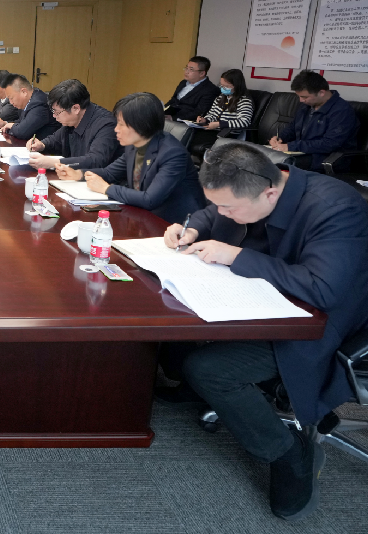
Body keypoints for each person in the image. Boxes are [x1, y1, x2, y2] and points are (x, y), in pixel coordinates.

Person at [161, 142, 368, 520]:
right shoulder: (250, 188)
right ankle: (193, 390)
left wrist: (237, 256)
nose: (223, 213)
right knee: (169, 309)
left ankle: (290, 454)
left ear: (270, 193)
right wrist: (191, 229)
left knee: (210, 369)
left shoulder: (336, 208)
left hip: (317, 324)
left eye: (230, 208)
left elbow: (324, 289)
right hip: (265, 302)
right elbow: (213, 211)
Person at [54, 92, 204, 224]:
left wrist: (107, 188)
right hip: (142, 217)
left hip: (175, 225)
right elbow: (109, 173)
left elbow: (150, 200)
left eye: (121, 124)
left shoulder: (172, 154)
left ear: (141, 125)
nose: (116, 129)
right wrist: (78, 174)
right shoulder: (134, 145)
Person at [268, 70, 358, 169]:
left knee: (275, 164)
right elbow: (293, 127)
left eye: (304, 97)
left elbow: (330, 144)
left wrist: (291, 146)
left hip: (326, 157)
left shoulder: (342, 110)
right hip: (304, 152)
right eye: (299, 96)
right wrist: (280, 138)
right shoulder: (307, 105)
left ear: (321, 92)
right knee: (261, 157)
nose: (301, 100)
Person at [25, 79, 122, 170]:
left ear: (76, 108)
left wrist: (55, 163)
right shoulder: (72, 120)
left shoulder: (106, 125)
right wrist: (42, 145)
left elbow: (95, 160)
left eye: (57, 112)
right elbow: (55, 140)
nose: (54, 116)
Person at [0, 74, 59, 142]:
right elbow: (22, 122)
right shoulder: (30, 99)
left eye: (11, 98)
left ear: (24, 92)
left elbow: (22, 132)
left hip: (46, 147)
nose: (10, 102)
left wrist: (11, 126)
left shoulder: (39, 104)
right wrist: (5, 124)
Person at [164, 56, 219, 122]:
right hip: (170, 115)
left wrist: (174, 118)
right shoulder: (183, 82)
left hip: (185, 121)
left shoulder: (210, 90)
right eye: (186, 68)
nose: (186, 72)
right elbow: (173, 100)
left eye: (191, 70)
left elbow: (199, 112)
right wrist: (161, 110)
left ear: (202, 73)